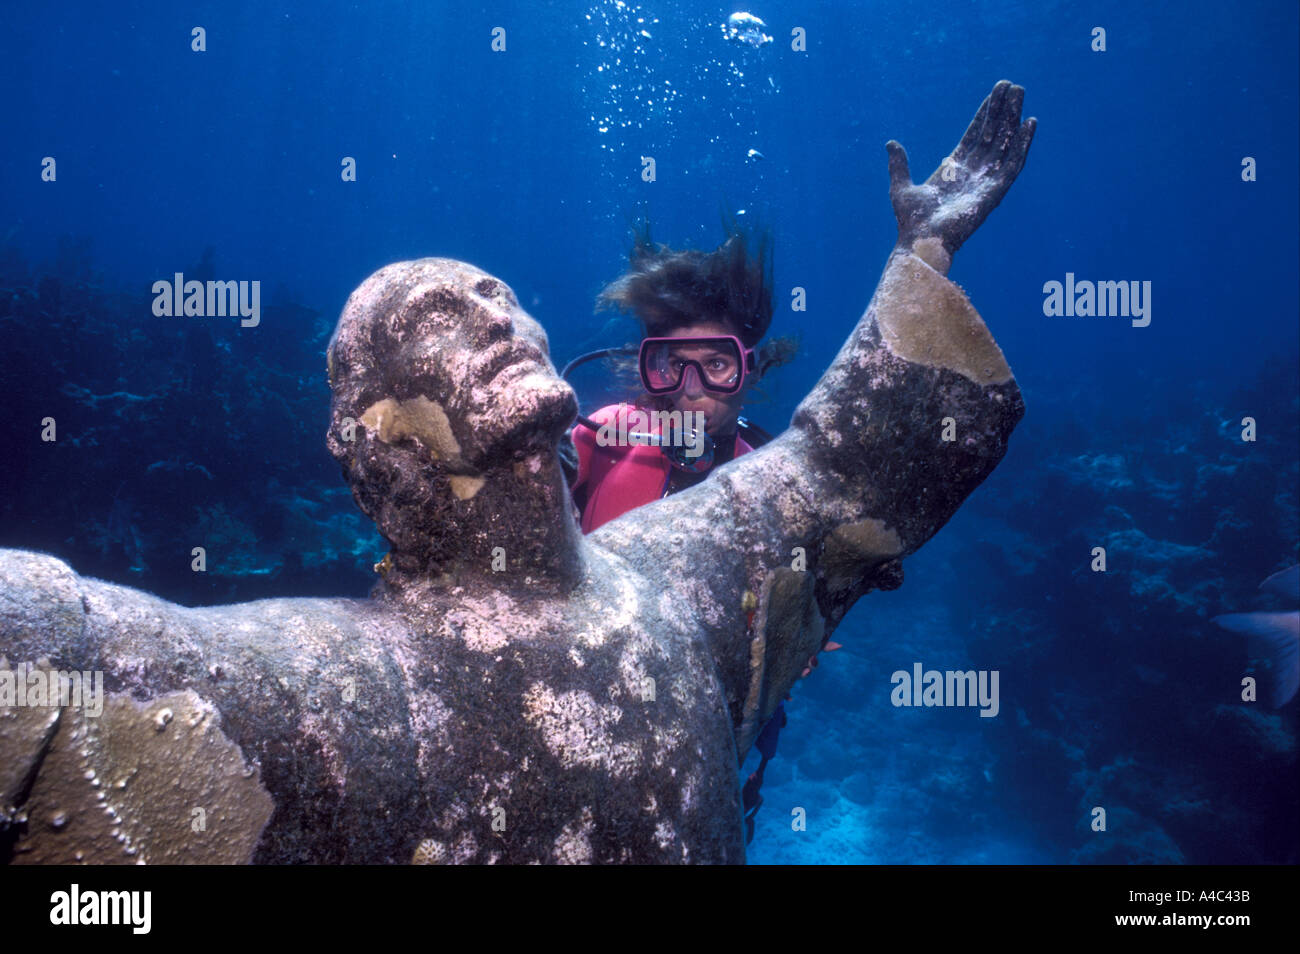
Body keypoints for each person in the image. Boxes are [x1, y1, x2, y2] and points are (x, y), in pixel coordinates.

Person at [566, 214, 828, 843]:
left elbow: (799, 630)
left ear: (751, 372)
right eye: (670, 366)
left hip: (697, 744)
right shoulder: (597, 439)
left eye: (717, 366)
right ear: (644, 367)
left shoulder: (775, 484)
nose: (691, 391)